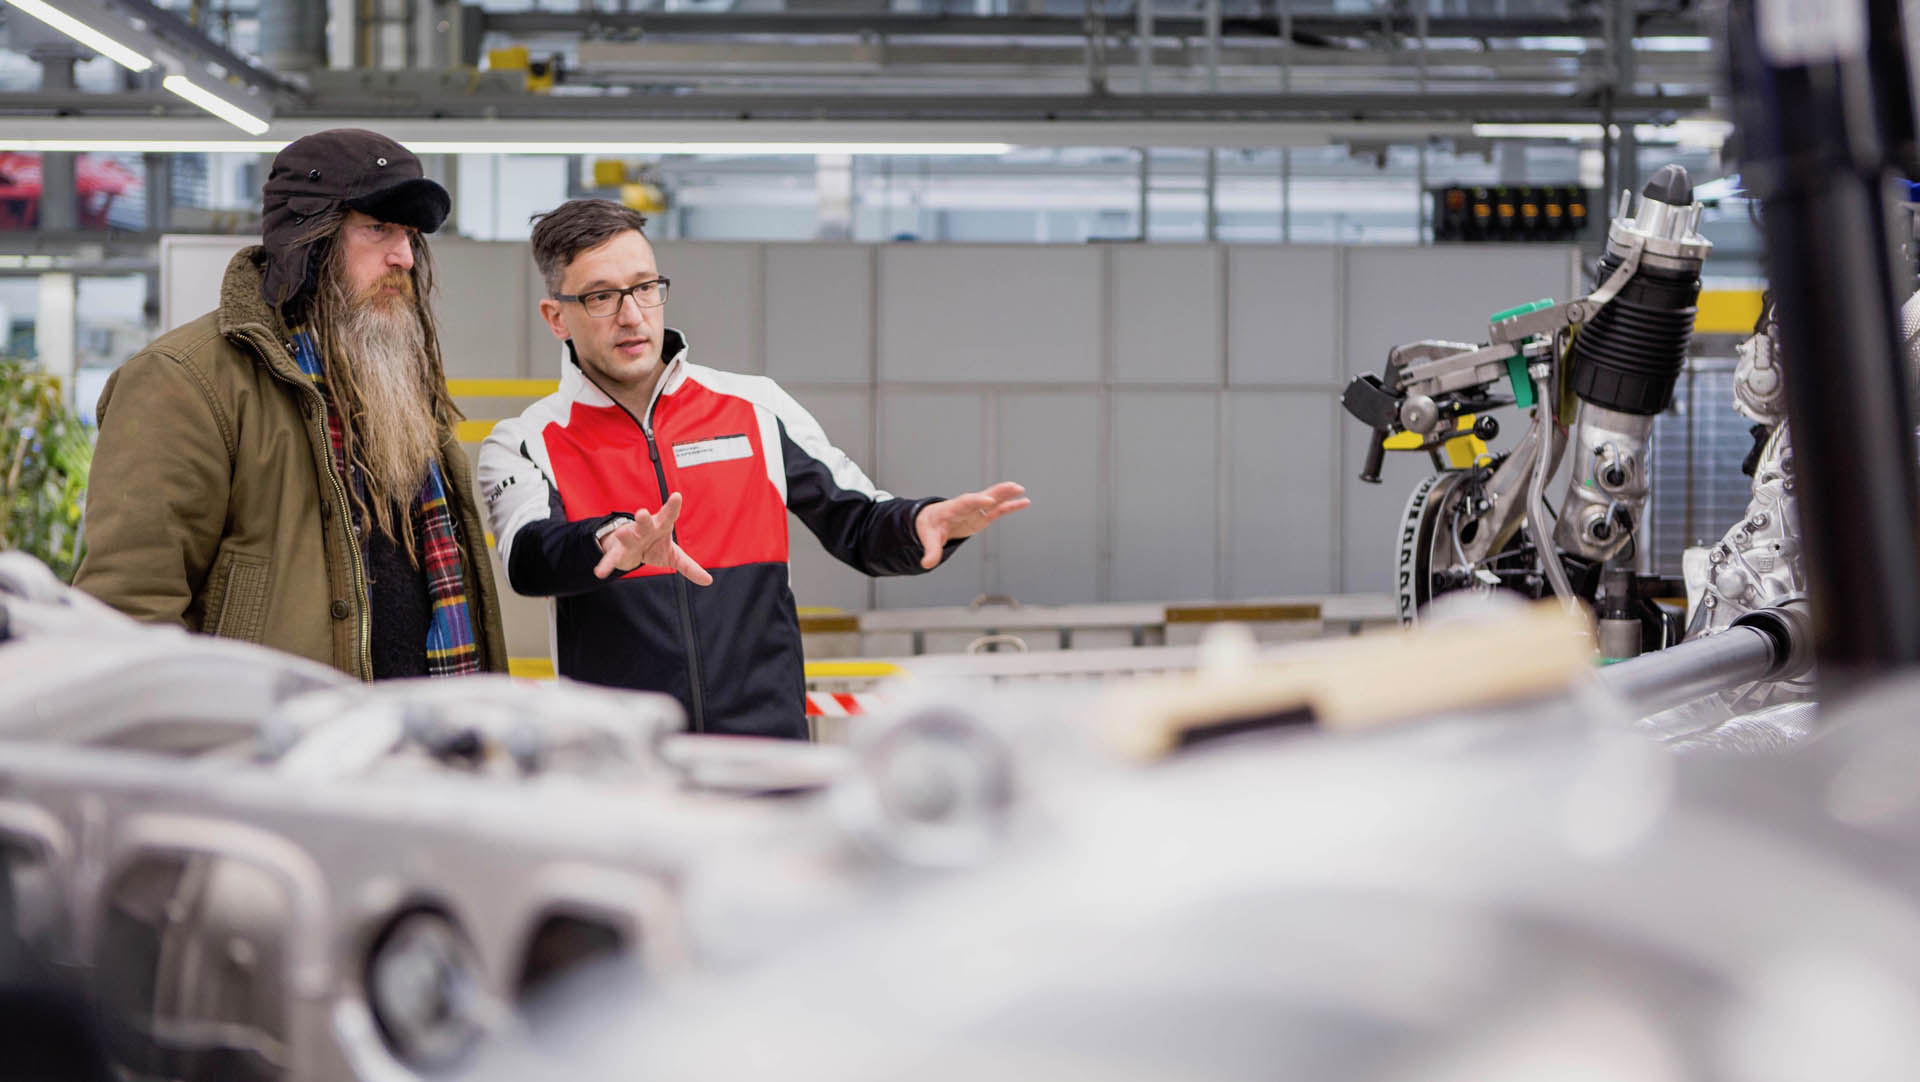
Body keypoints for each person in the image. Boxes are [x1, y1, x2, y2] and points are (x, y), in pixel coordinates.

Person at [479, 198, 1028, 738]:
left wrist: (920, 522)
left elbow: (859, 524)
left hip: (767, 755)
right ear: (556, 317)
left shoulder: (756, 406)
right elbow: (530, 559)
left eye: (644, 287)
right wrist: (607, 543)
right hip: (624, 763)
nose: (632, 315)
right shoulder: (525, 442)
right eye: (602, 296)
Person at [75, 129, 507, 680]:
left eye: (409, 235)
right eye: (378, 229)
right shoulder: (181, 381)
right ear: (310, 240)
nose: (403, 256)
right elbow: (129, 609)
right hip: (269, 728)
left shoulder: (396, 378)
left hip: (419, 727)